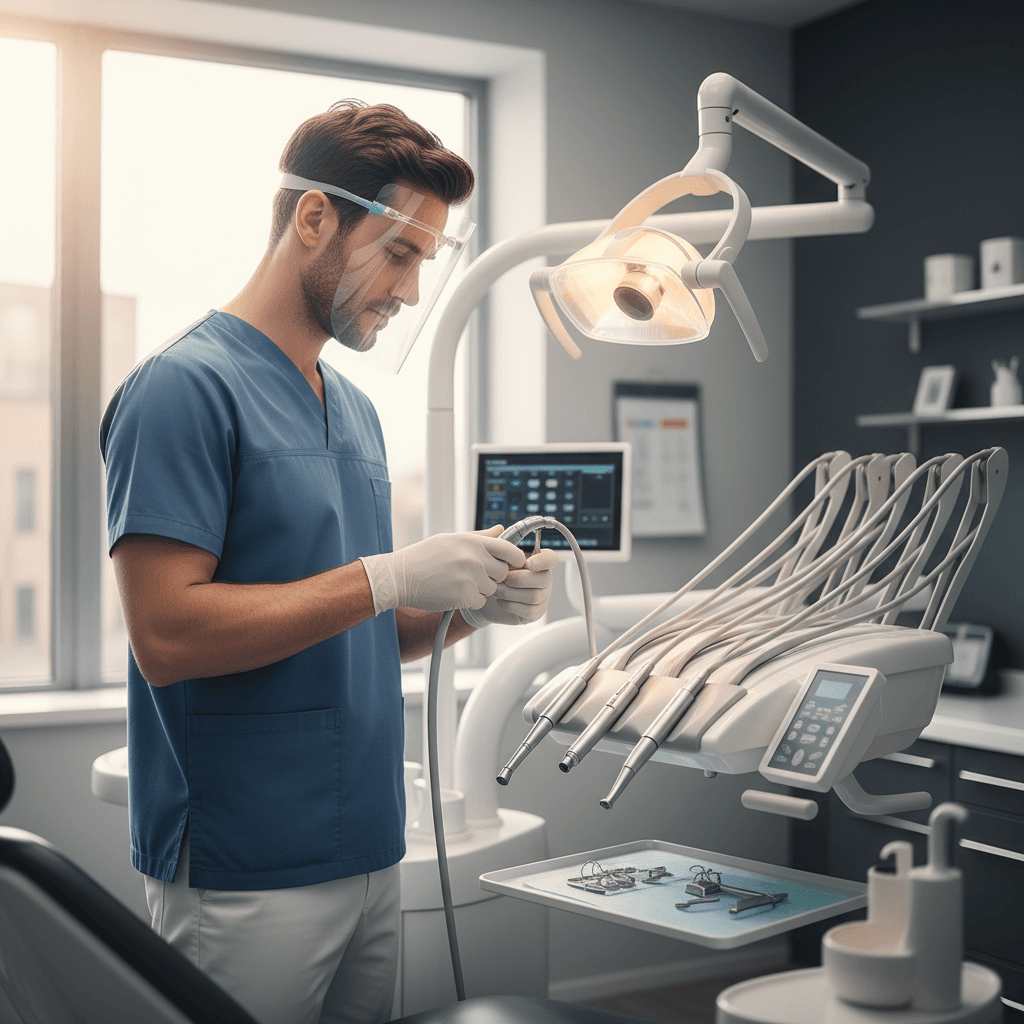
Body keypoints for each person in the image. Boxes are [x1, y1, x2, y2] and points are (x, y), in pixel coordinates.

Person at [100, 100, 558, 1024]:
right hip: (245, 862)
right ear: (315, 217)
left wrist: (471, 607)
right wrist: (387, 577)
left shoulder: (353, 412)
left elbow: (360, 631)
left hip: (371, 845)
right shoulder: (182, 389)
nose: (411, 291)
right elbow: (167, 636)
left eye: (425, 261)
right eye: (400, 254)